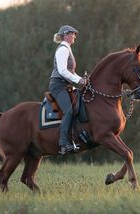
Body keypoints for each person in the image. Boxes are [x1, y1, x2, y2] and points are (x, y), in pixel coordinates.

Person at [49, 25, 87, 155]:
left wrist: (82, 80)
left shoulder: (67, 49)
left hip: (66, 85)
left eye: (75, 34)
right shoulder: (63, 49)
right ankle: (63, 144)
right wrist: (78, 80)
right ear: (66, 35)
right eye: (73, 34)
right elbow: (62, 71)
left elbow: (71, 72)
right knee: (69, 111)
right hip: (58, 85)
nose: (74, 36)